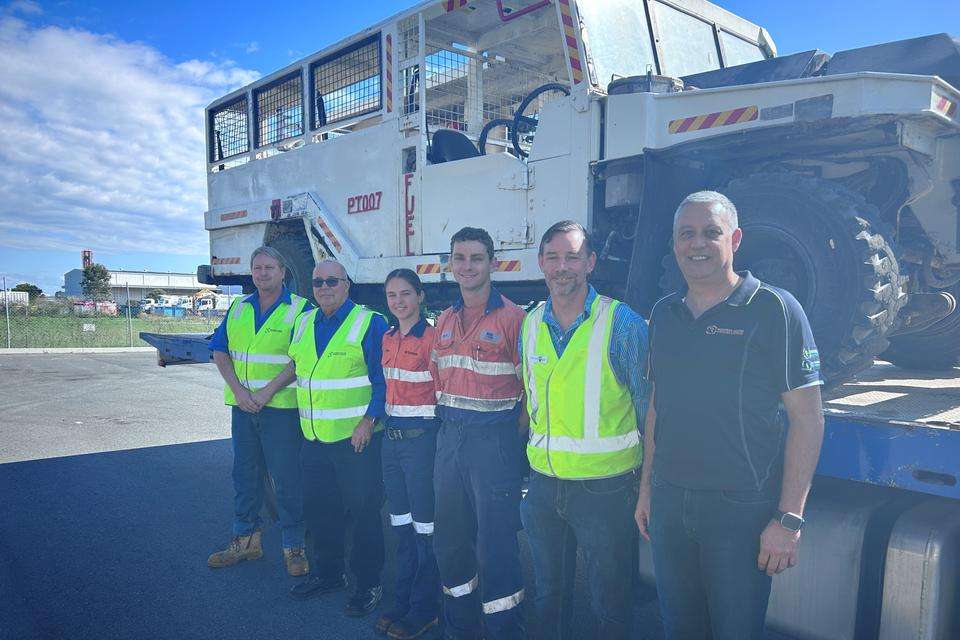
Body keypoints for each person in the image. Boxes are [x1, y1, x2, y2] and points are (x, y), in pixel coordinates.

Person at [634, 191, 825, 640]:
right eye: (686, 234)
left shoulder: (774, 310)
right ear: (674, 243)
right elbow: (659, 406)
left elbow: (809, 419)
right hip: (670, 504)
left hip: (741, 510)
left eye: (710, 233)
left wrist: (789, 519)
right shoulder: (663, 315)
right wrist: (646, 490)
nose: (697, 244)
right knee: (679, 630)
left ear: (735, 239)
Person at [518, 220, 648, 640]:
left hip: (605, 491)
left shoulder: (623, 323)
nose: (562, 267)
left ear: (590, 262)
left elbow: (651, 415)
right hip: (543, 486)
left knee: (609, 601)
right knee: (549, 596)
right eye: (553, 257)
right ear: (541, 263)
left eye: (572, 256)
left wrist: (648, 489)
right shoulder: (530, 323)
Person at [431, 227, 527, 640]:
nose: (467, 266)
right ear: (450, 264)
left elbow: (530, 394)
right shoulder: (445, 320)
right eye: (460, 258)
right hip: (449, 440)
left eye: (476, 258)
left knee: (496, 545)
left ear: (492, 263)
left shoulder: (515, 318)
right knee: (450, 541)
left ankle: (504, 629)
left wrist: (511, 443)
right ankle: (461, 628)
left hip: (495, 444)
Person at [287, 259, 390, 618]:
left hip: (356, 441)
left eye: (333, 281)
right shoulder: (302, 324)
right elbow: (302, 374)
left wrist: (369, 420)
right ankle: (328, 574)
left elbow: (384, 380)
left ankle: (368, 583)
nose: (325, 287)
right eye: (317, 282)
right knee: (320, 512)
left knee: (363, 515)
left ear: (347, 284)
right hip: (314, 439)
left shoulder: (369, 323)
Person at [206, 245, 310, 576]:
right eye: (257, 268)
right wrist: (239, 392)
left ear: (283, 272)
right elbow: (220, 351)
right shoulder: (238, 308)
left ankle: (294, 545)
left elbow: (301, 360)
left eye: (269, 268)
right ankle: (245, 539)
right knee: (244, 474)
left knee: (287, 478)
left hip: (280, 410)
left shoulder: (300, 309)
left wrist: (266, 392)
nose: (262, 273)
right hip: (244, 409)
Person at [375, 269, 442, 640]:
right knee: (400, 526)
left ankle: (424, 609)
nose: (398, 301)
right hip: (392, 444)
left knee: (424, 530)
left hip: (421, 445)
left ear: (419, 296)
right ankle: (401, 601)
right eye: (391, 295)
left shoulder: (433, 339)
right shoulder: (386, 338)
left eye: (404, 294)